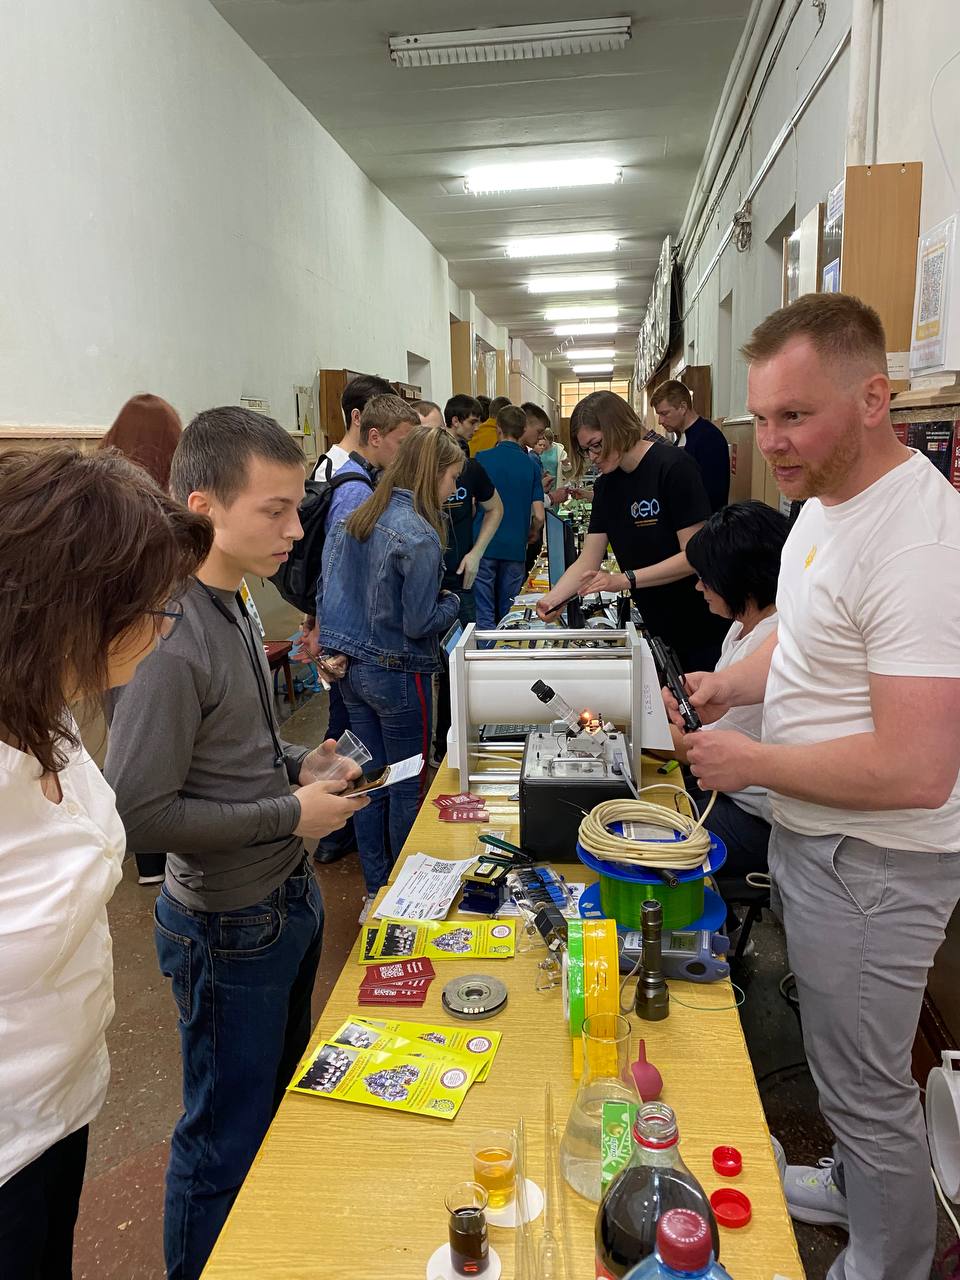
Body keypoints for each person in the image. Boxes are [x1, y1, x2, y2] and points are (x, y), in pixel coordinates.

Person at [670, 294, 960, 1280]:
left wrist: (751, 762)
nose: (773, 441)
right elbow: (804, 638)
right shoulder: (831, 509)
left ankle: (887, 1259)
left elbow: (918, 765)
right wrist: (730, 685)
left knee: (869, 1086)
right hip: (821, 838)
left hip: (877, 860)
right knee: (840, 1065)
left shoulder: (919, 544)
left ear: (874, 399)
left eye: (796, 415)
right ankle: (852, 1185)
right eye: (763, 416)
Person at [105, 407, 368, 1280]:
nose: (295, 531)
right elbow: (141, 815)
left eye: (297, 508)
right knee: (222, 1141)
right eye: (275, 510)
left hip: (280, 901)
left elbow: (234, 749)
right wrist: (291, 813)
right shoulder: (167, 637)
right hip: (227, 927)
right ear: (204, 507)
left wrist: (301, 763)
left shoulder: (236, 598)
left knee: (273, 1112)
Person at [0, 447, 211, 1277]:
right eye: (154, 610)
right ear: (72, 612)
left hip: (63, 1101)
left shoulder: (48, 715)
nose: (165, 630)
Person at [318, 425, 463, 893]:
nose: (454, 490)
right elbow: (420, 622)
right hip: (399, 674)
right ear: (434, 473)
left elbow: (327, 595)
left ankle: (375, 888)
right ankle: (404, 891)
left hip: (351, 673)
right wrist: (453, 602)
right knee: (407, 783)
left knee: (368, 780)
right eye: (452, 478)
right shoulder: (419, 535)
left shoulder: (353, 519)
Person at [537, 391, 726, 672]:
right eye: (586, 450)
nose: (592, 457)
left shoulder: (674, 467)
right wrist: (553, 599)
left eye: (597, 445)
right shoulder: (606, 485)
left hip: (698, 620)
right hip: (656, 621)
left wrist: (625, 580)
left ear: (618, 428)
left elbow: (693, 555)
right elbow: (589, 559)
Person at [663, 501, 789, 917]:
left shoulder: (772, 641)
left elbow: (701, 750)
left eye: (706, 578)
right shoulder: (742, 626)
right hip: (735, 797)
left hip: (755, 818)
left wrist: (630, 728)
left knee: (648, 840)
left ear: (739, 579)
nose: (699, 587)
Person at [308, 376, 397, 866]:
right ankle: (335, 831)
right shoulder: (351, 481)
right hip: (350, 637)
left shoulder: (340, 471)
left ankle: (337, 829)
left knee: (347, 731)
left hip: (339, 631)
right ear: (365, 423)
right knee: (348, 738)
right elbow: (340, 566)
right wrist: (328, 629)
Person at [98, 393, 185, 884]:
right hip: (150, 637)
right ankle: (160, 845)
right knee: (161, 743)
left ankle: (146, 857)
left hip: (107, 648)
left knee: (124, 737)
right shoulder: (159, 511)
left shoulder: (97, 498)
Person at [430, 395, 503, 764]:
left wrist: (476, 552)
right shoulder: (412, 476)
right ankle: (432, 748)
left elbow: (495, 508)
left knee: (458, 667)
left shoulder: (471, 469)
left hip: (459, 581)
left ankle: (451, 745)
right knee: (424, 671)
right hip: (424, 586)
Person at [474, 404, 545, 634]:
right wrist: (532, 532)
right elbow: (539, 514)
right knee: (510, 612)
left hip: (484, 544)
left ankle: (485, 650)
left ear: (498, 428)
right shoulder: (530, 464)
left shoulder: (481, 459)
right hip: (515, 545)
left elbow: (473, 505)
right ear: (523, 430)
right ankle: (507, 649)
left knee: (484, 612)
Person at [651, 380, 730, 513]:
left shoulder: (708, 438)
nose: (660, 421)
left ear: (683, 407)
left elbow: (712, 492)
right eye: (659, 415)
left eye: (664, 414)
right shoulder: (681, 437)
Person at [310, 373, 393, 482]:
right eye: (384, 418)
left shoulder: (373, 464)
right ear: (357, 417)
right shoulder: (331, 469)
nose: (388, 428)